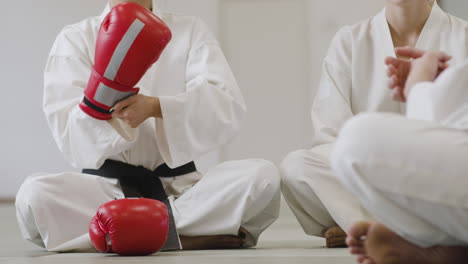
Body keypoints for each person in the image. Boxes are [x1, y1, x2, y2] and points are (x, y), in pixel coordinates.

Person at [15, 0, 280, 252]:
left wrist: (157, 107)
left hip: (182, 190)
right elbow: (68, 134)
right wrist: (104, 96)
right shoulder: (75, 37)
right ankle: (181, 235)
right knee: (34, 196)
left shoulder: (190, 30)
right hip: (104, 191)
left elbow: (225, 104)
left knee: (263, 177)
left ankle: (112, 235)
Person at [280, 0, 468, 247]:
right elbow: (331, 131)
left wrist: (422, 89)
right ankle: (402, 227)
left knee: (362, 137)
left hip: (434, 170)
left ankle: (367, 225)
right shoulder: (350, 40)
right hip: (367, 170)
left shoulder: (463, 36)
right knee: (297, 166)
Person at [331, 47, 468, 264]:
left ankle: (441, 245)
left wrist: (420, 86)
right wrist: (444, 87)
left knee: (357, 142)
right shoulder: (348, 40)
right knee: (302, 163)